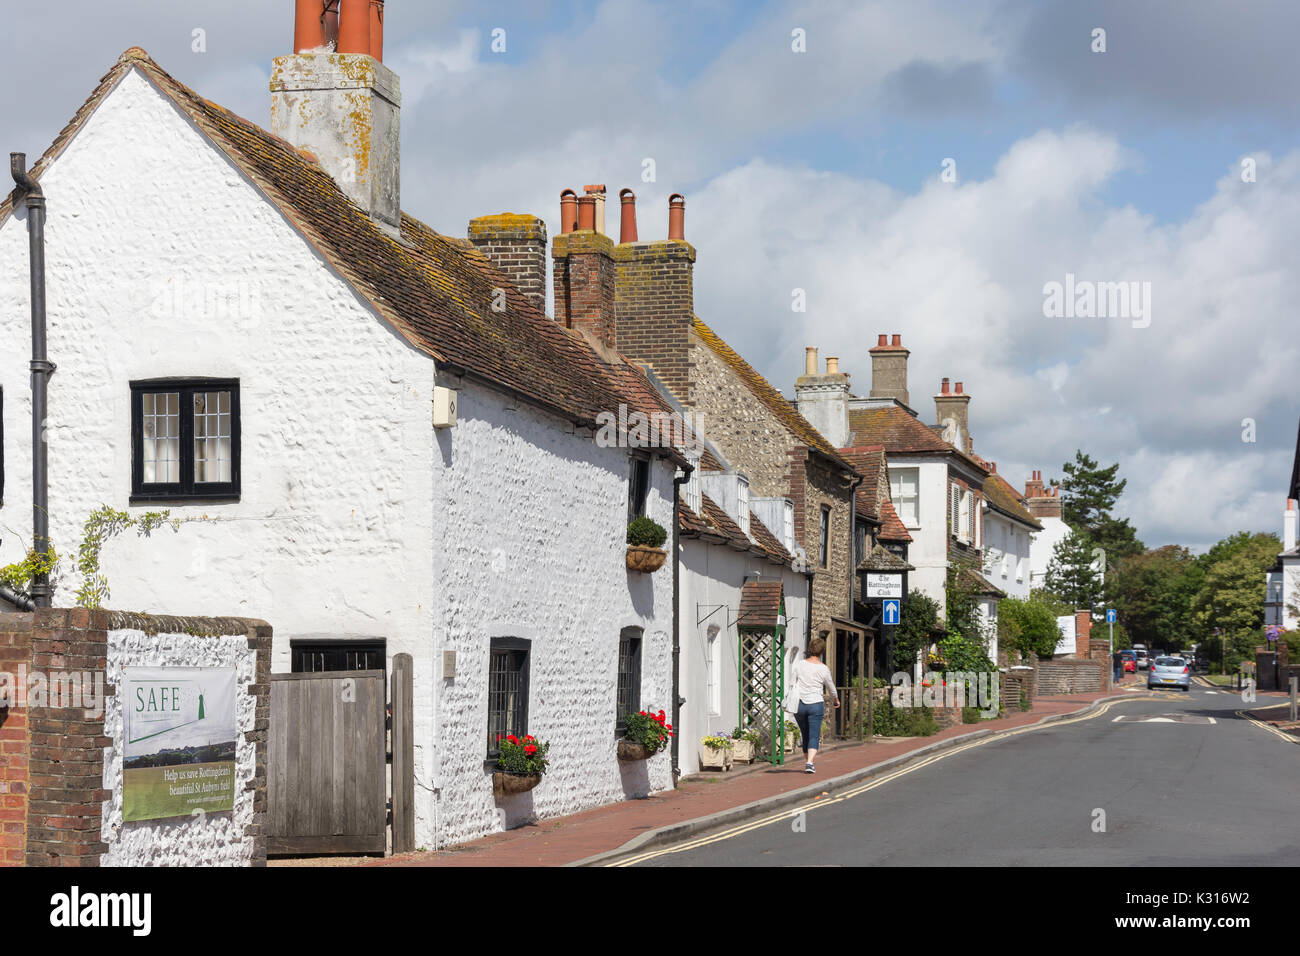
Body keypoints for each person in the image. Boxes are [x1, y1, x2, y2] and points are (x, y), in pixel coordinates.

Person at [790, 637, 839, 773]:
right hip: (815, 704)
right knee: (814, 735)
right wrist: (836, 699)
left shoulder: (800, 664)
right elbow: (831, 687)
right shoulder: (823, 669)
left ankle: (808, 762)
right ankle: (810, 763)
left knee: (805, 733)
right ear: (821, 652)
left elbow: (791, 682)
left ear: (810, 649)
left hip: (799, 704)